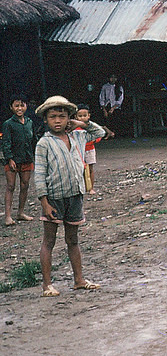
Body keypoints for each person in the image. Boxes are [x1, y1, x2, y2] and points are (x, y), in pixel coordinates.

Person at [33, 95, 101, 296]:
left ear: (68, 119)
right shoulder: (44, 143)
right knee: (49, 241)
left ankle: (79, 280)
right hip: (54, 198)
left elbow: (100, 132)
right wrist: (44, 202)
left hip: (75, 196)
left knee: (73, 240)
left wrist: (79, 123)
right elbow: (39, 175)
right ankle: (47, 285)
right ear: (46, 120)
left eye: (62, 117)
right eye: (52, 117)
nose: (57, 121)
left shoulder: (78, 136)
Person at [3, 95, 36, 225]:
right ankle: (8, 216)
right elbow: (6, 142)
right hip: (13, 160)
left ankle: (20, 213)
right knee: (11, 186)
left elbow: (33, 140)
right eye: (16, 106)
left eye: (22, 105)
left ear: (26, 106)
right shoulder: (8, 124)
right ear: (11, 107)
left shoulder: (29, 122)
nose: (19, 108)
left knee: (25, 185)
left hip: (27, 158)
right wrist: (9, 158)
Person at [73, 105, 112, 195]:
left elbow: (99, 135)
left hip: (90, 150)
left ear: (89, 116)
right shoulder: (74, 128)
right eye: (80, 116)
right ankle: (81, 187)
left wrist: (94, 140)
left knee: (90, 169)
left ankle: (91, 188)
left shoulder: (91, 127)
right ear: (75, 117)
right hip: (79, 151)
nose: (82, 118)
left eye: (84, 115)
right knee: (79, 170)